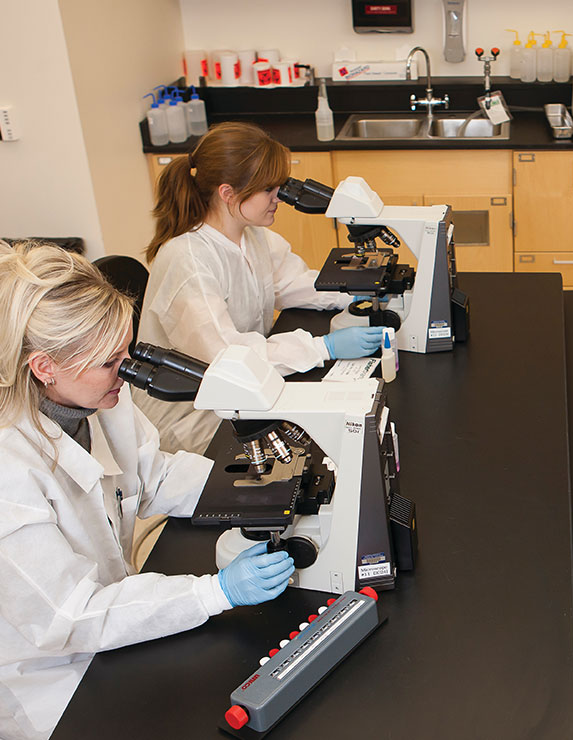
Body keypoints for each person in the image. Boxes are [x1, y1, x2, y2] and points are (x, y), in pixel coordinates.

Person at [0, 242, 295, 740]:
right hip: (54, 680)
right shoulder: (9, 466)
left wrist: (254, 486)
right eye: (109, 362)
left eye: (128, 354)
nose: (128, 372)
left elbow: (152, 474)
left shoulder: (99, 394)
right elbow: (68, 615)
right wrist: (214, 591)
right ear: (45, 367)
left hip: (118, 625)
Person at [137, 121, 383, 454]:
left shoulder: (250, 236)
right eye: (268, 189)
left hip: (245, 388)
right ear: (228, 193)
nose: (277, 198)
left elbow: (291, 283)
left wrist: (356, 289)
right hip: (194, 415)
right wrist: (323, 347)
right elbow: (228, 359)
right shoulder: (189, 261)